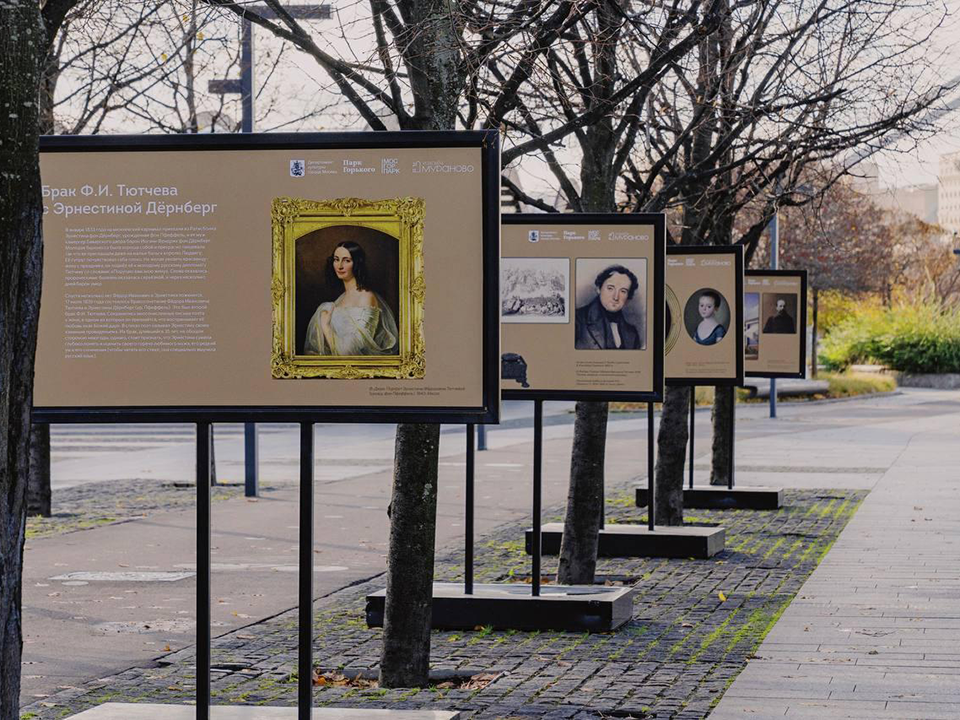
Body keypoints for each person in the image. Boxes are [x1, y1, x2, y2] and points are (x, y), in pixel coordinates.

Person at [303, 241, 399, 356]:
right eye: (336, 259)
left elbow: (350, 353)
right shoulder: (341, 298)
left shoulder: (365, 297)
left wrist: (326, 327)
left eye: (347, 260)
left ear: (357, 263)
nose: (339, 266)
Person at [575, 264, 642, 350]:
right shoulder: (577, 319)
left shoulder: (632, 333)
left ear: (628, 298)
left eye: (623, 291)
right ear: (599, 288)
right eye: (610, 288)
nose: (615, 297)